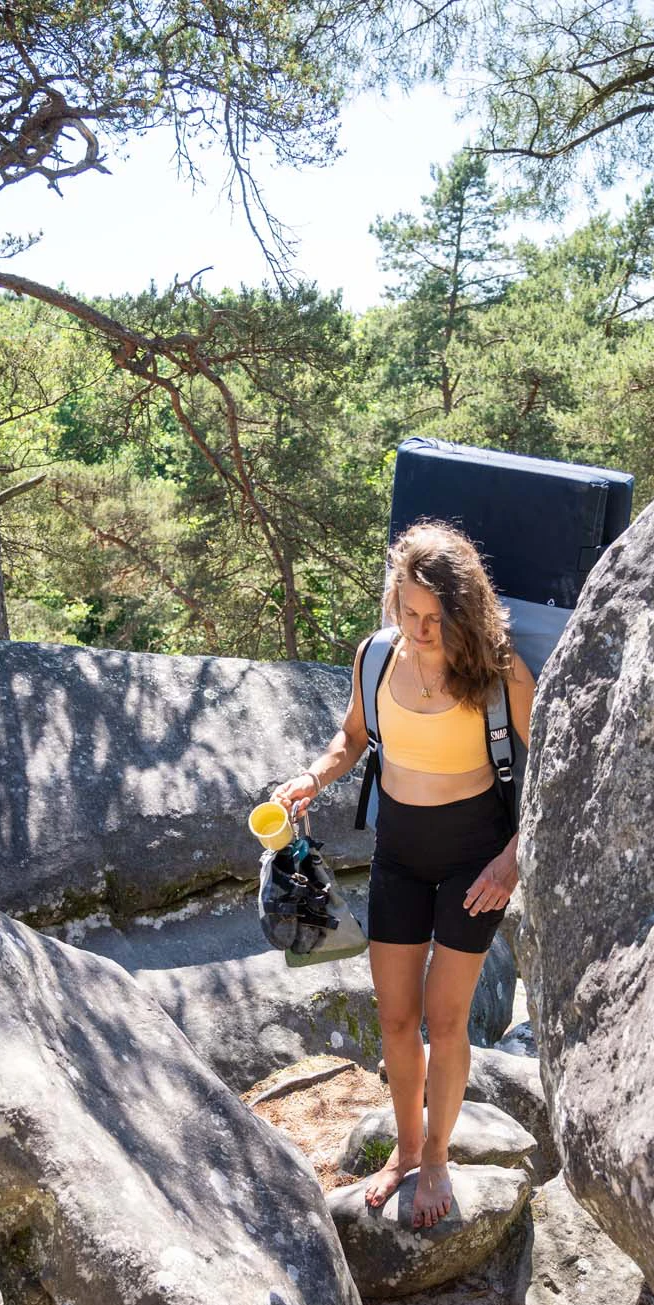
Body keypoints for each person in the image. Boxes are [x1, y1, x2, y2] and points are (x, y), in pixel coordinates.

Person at [273, 521, 534, 1230]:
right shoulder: (376, 657)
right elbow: (353, 738)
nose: (419, 630)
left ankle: (438, 1159)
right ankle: (406, 1149)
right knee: (395, 1019)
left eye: (434, 618)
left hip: (476, 861)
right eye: (408, 612)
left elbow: (549, 766)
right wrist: (311, 777)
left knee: (445, 1019)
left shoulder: (501, 671)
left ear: (463, 610)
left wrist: (512, 860)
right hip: (399, 855)